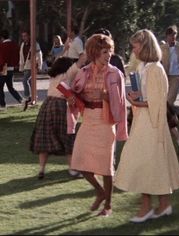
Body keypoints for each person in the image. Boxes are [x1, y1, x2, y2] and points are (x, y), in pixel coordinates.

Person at [114, 29, 179, 223]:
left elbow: (157, 103)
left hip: (151, 124)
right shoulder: (144, 67)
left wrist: (136, 103)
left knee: (144, 163)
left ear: (145, 46)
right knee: (154, 163)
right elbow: (146, 97)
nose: (133, 50)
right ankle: (164, 204)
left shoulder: (154, 69)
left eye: (135, 46)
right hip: (143, 121)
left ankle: (146, 208)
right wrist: (136, 99)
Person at [69, 34, 128, 216]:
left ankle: (108, 206)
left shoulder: (115, 73)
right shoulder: (83, 72)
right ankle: (100, 192)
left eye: (110, 51)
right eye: (104, 51)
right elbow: (75, 94)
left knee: (105, 166)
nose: (108, 55)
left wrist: (108, 98)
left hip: (105, 122)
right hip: (88, 120)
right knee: (79, 163)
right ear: (94, 52)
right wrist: (72, 99)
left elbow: (121, 102)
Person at [30, 55, 87, 180]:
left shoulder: (53, 76)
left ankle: (41, 169)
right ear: (67, 66)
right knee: (68, 136)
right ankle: (73, 169)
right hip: (61, 106)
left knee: (44, 138)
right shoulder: (68, 74)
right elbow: (80, 62)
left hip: (47, 105)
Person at [160, 25, 179, 154]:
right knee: (165, 107)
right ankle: (177, 114)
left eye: (175, 35)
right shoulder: (162, 48)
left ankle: (175, 113)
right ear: (167, 36)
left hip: (176, 77)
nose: (173, 37)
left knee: (168, 104)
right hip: (166, 77)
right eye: (171, 35)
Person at [19, 30, 43, 110]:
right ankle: (33, 96)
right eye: (23, 36)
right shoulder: (23, 44)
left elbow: (39, 55)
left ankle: (27, 96)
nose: (24, 38)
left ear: (29, 36)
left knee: (25, 80)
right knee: (30, 81)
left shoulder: (35, 44)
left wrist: (40, 65)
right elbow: (21, 55)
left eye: (25, 36)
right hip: (26, 66)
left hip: (32, 66)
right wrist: (21, 66)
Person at [0, 29, 23, 110]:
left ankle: (2, 105)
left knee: (0, 88)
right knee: (11, 87)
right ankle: (21, 100)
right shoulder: (14, 44)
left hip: (3, 68)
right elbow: (17, 56)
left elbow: (2, 58)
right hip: (11, 68)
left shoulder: (2, 46)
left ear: (2, 37)